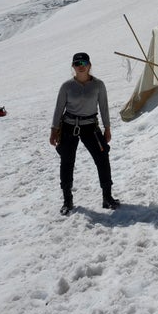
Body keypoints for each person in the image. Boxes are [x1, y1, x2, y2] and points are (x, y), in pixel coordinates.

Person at [50, 52, 120, 215]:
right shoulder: (66, 86)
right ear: (73, 67)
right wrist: (54, 130)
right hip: (68, 127)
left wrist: (107, 128)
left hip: (90, 127)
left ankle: (107, 197)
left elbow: (103, 107)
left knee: (102, 159)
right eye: (77, 63)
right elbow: (59, 108)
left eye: (83, 62)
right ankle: (67, 200)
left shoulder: (98, 85)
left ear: (89, 65)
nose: (80, 65)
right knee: (67, 162)